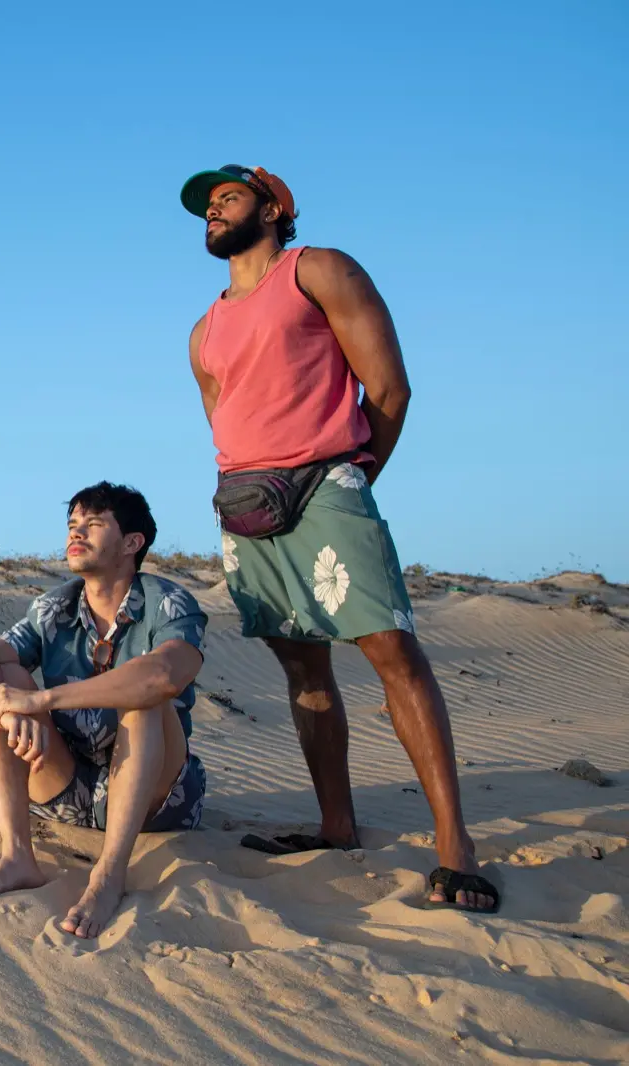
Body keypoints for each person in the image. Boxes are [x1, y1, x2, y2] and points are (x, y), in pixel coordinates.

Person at [178, 164, 498, 913]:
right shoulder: (204, 327)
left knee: (392, 650)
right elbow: (223, 422)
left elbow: (388, 388)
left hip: (327, 484)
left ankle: (456, 848)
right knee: (303, 673)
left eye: (228, 197)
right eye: (206, 206)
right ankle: (336, 825)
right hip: (247, 505)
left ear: (274, 206)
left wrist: (350, 482)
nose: (212, 212)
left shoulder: (317, 269)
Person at [0, 483, 208, 938]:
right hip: (68, 789)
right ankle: (16, 857)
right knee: (3, 681)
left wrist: (43, 700)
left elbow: (168, 674)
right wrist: (10, 710)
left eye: (93, 525)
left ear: (133, 543)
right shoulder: (55, 607)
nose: (76, 534)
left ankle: (109, 876)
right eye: (72, 525)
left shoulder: (168, 603)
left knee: (143, 695)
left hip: (157, 799)